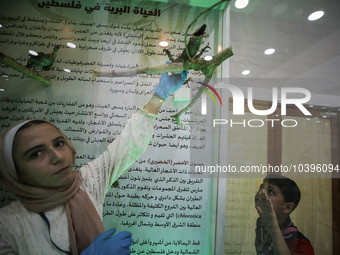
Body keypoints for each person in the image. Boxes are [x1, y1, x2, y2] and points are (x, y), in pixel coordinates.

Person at [0, 70, 187, 255]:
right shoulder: (7, 226)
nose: (57, 157)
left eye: (59, 143)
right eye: (36, 153)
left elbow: (129, 145)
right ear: (16, 171)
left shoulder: (86, 182)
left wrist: (160, 94)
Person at [254, 174, 314, 255]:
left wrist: (274, 229)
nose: (261, 192)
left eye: (270, 192)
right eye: (261, 187)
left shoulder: (301, 243)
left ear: (288, 208)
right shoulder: (261, 224)